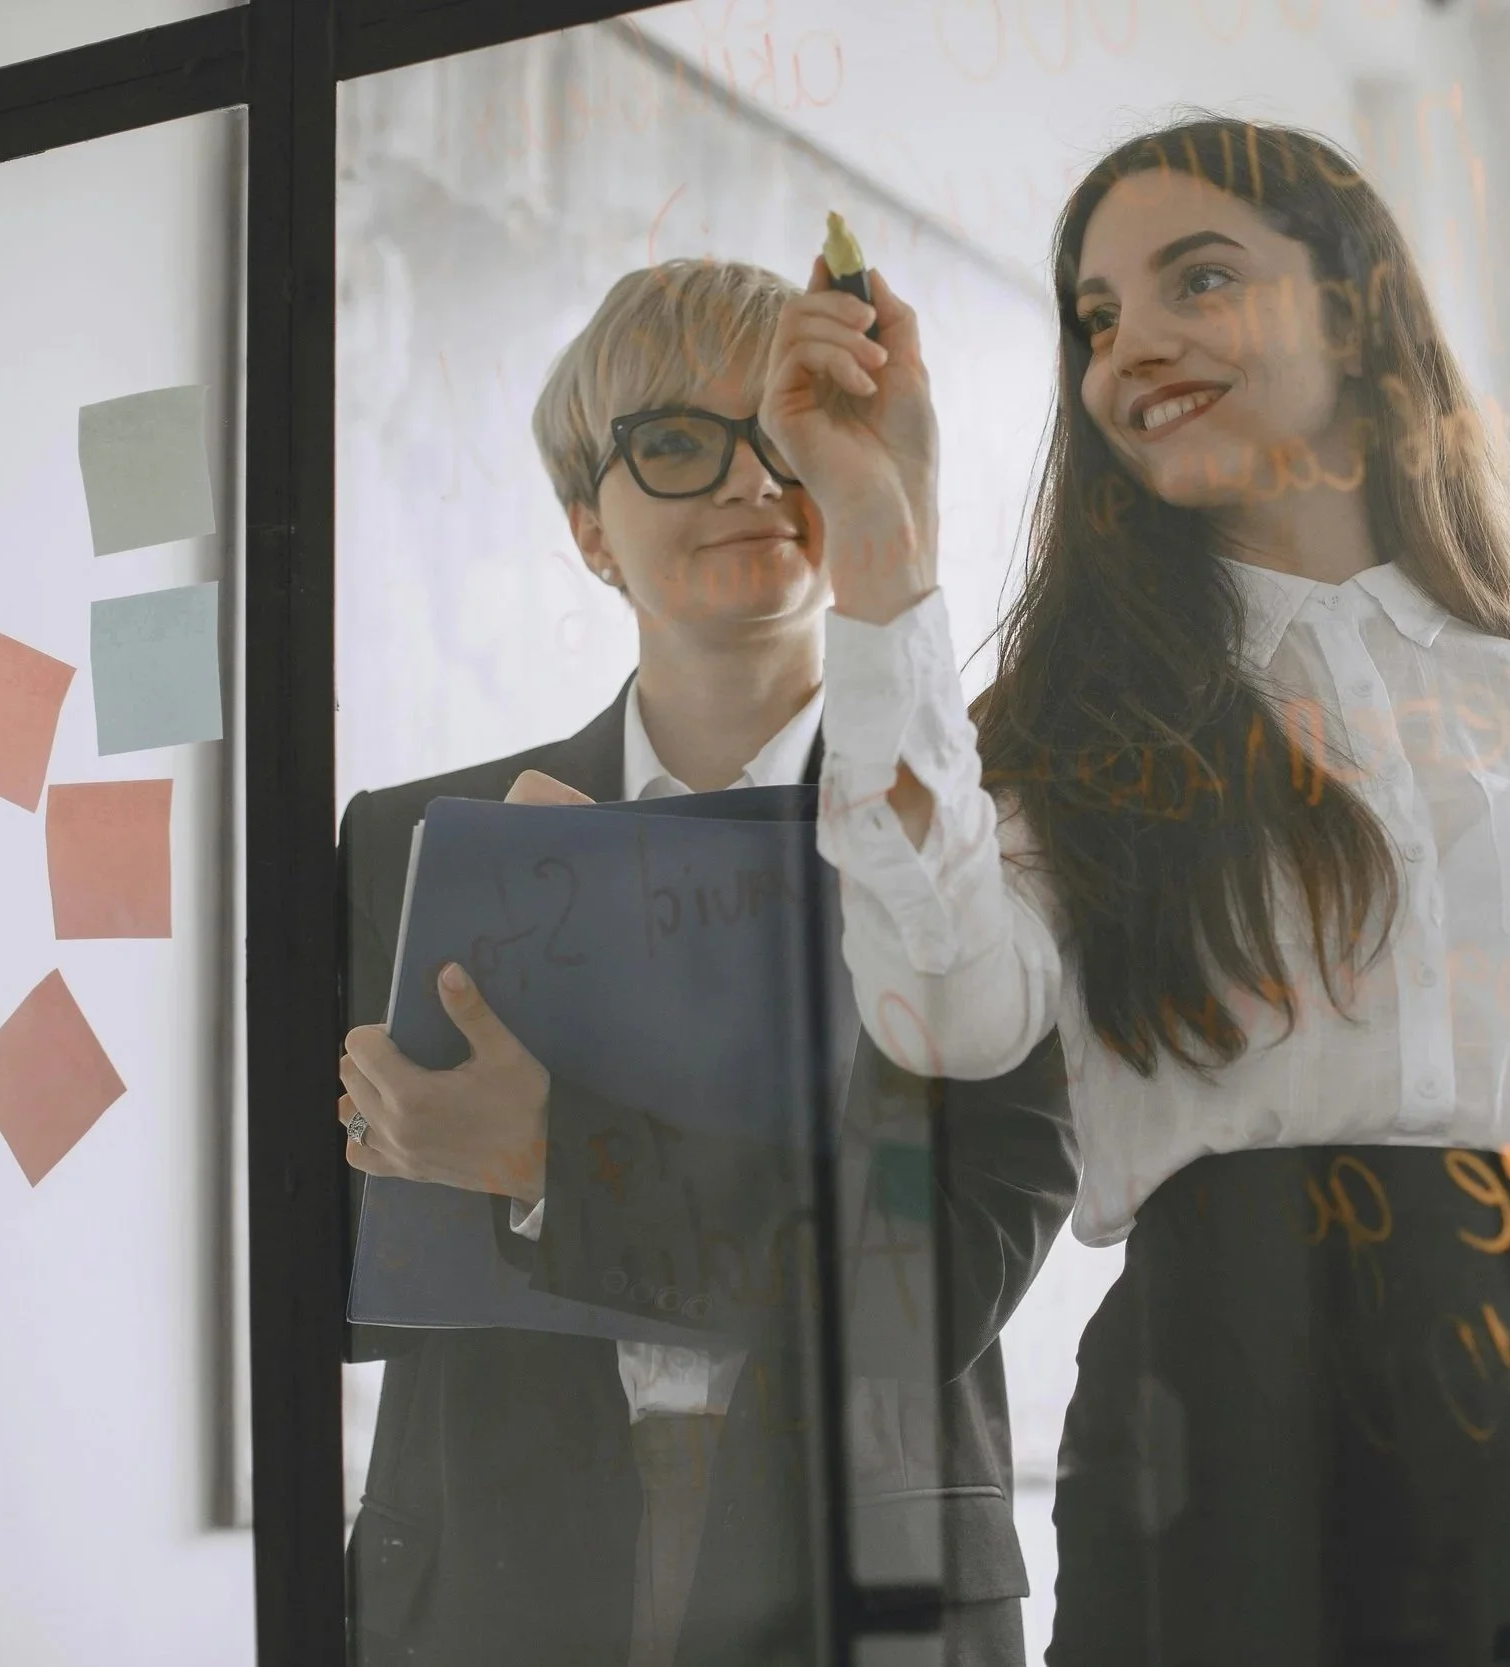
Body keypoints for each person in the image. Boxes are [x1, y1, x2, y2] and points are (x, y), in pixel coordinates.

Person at [761, 119, 1510, 1666]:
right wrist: (880, 532)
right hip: (1224, 1421)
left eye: (1196, 277)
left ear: (1351, 311)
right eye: (1097, 318)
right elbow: (938, 1009)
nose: (1134, 343)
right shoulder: (1065, 734)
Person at [334, 258, 1078, 1667]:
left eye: (788, 434)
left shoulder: (977, 845)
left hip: (864, 1580)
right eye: (675, 442)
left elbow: (940, 1279)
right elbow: (340, 1283)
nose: (749, 478)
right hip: (501, 1576)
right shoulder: (411, 843)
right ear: (589, 531)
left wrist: (560, 1156)